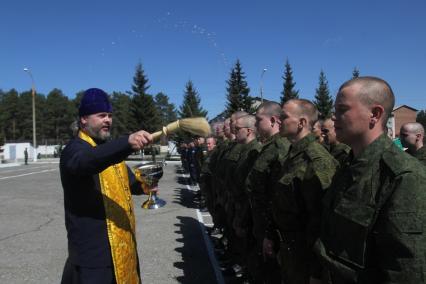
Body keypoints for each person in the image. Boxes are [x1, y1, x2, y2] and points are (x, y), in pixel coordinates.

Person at [314, 77, 426, 283]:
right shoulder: (349, 165)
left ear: (374, 114)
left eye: (342, 109)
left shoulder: (403, 176)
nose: (333, 116)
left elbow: (405, 270)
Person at [60, 88, 152, 284]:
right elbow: (87, 161)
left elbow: (130, 182)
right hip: (93, 260)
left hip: (122, 248)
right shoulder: (74, 150)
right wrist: (126, 143)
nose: (108, 120)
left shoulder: (108, 151)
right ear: (84, 119)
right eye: (101, 115)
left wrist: (146, 184)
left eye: (110, 115)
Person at [264, 99, 337, 284]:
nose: (279, 120)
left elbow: (323, 222)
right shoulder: (292, 154)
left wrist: (317, 272)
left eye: (284, 117)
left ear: (302, 123)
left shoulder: (317, 160)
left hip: (306, 259)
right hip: (289, 250)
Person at [246, 101, 290, 283]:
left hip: (271, 230)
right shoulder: (268, 148)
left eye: (258, 120)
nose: (255, 125)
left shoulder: (280, 149)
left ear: (273, 120)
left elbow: (277, 197)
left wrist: (270, 234)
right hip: (261, 226)